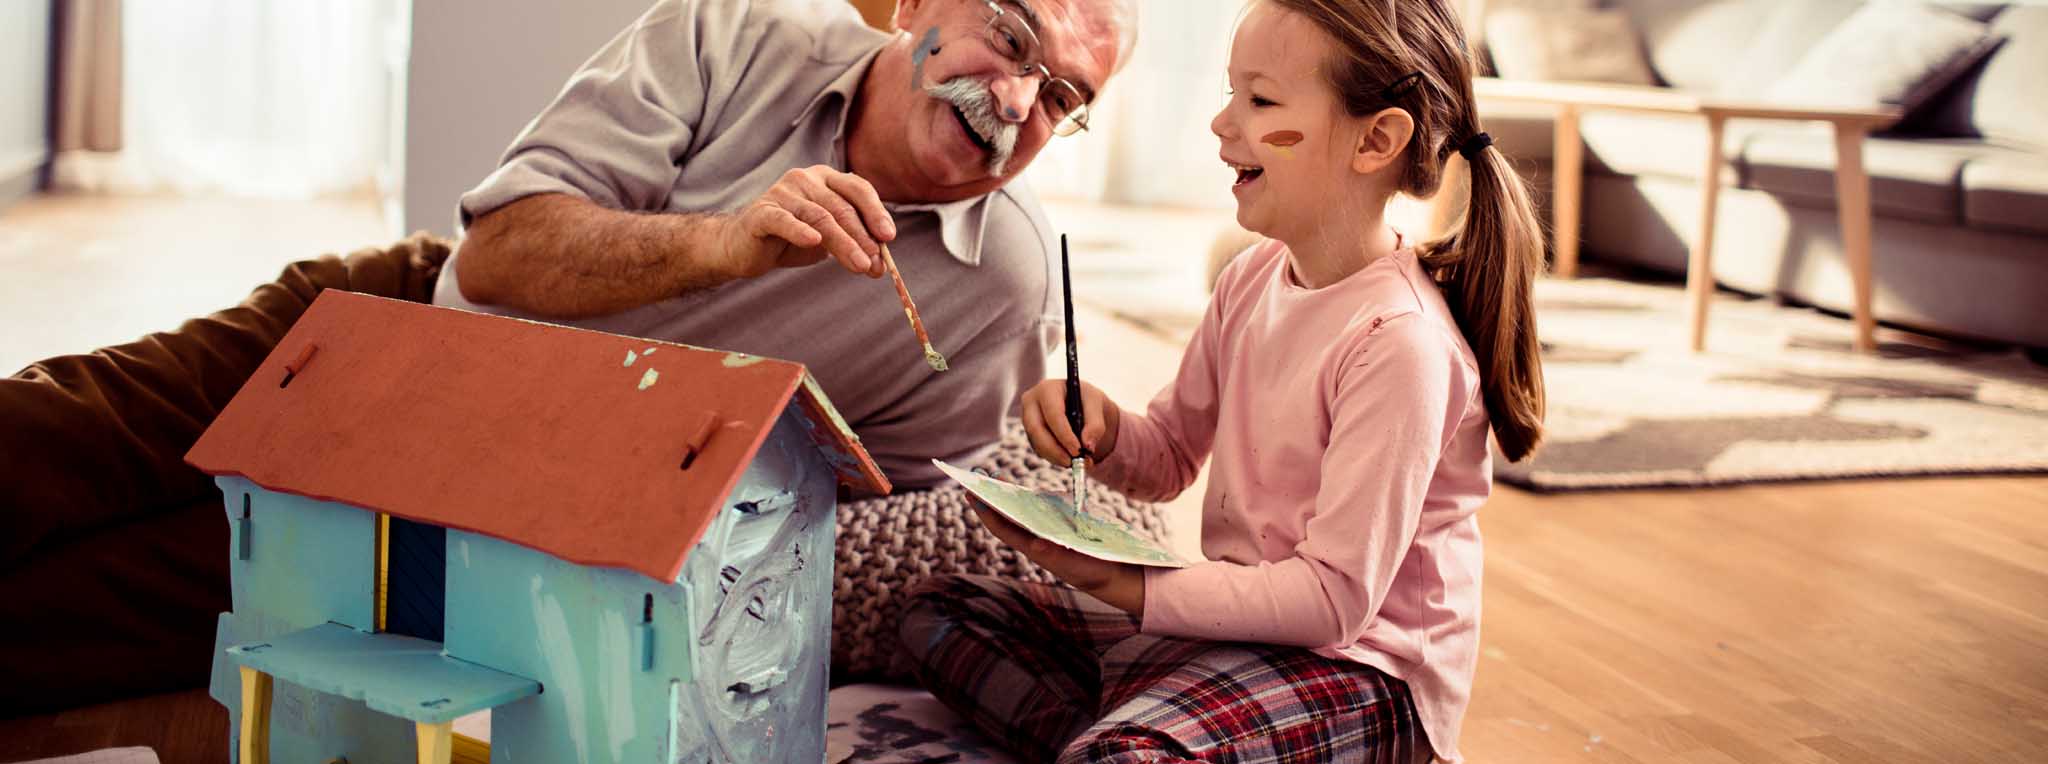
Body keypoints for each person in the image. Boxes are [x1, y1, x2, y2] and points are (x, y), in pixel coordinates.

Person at [899, 0, 1548, 760]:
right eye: (1231, 92)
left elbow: (1333, 601)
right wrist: (1102, 429)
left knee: (1125, 747)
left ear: (1376, 139)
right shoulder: (1251, 279)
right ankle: (1151, 735)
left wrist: (1128, 588)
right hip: (1243, 636)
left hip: (1363, 675)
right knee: (940, 611)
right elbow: (1171, 456)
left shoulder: (1400, 343)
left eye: (1261, 100)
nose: (1221, 123)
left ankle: (1145, 738)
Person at [438, 0, 1136, 487]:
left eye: (1060, 99)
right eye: (1011, 39)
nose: (1017, 104)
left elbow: (873, 508)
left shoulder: (1013, 290)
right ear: (915, 6)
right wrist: (721, 246)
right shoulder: (733, 27)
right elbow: (492, 255)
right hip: (451, 406)